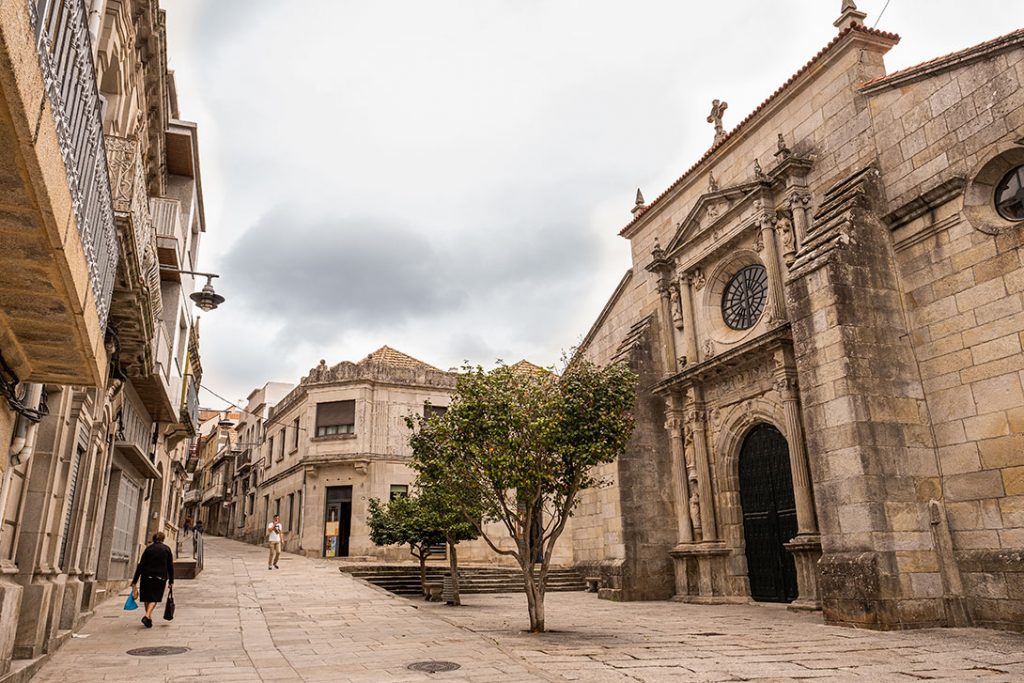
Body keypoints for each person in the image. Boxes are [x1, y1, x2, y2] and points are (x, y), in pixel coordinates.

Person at [131, 532, 174, 628]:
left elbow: (141, 565)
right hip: (160, 577)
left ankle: (149, 618)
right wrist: (171, 581)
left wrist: (135, 580)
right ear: (163, 539)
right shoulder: (166, 549)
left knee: (147, 597)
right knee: (154, 598)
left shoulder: (148, 549)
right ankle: (147, 616)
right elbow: (170, 566)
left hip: (146, 576)